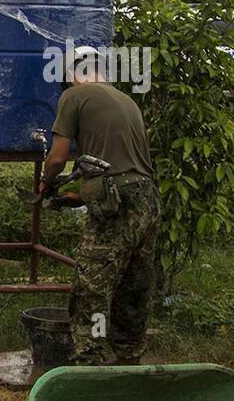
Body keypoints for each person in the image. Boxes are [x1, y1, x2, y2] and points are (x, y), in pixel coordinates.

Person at [39, 46, 160, 366]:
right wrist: (80, 195)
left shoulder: (73, 97)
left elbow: (57, 157)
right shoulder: (126, 101)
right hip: (147, 199)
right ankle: (129, 360)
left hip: (115, 205)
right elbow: (123, 165)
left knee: (91, 287)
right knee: (132, 289)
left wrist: (45, 183)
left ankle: (90, 363)